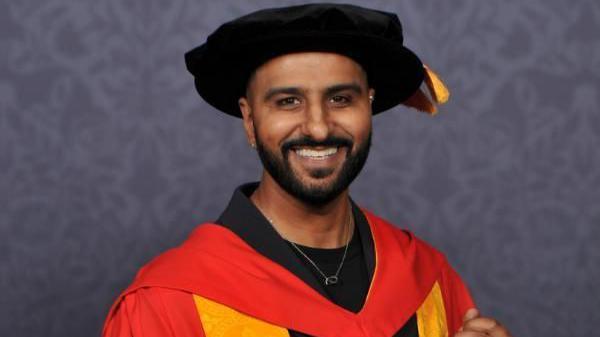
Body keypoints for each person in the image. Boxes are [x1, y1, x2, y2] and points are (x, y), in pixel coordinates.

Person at [102, 3, 513, 337]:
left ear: (368, 106)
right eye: (288, 102)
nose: (318, 127)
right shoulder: (167, 305)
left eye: (340, 99)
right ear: (249, 121)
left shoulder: (427, 278)